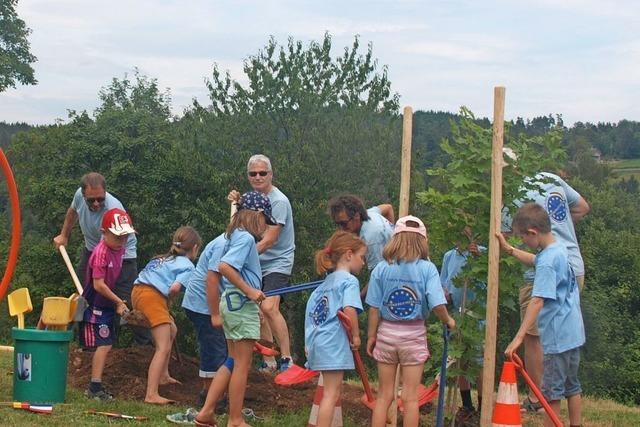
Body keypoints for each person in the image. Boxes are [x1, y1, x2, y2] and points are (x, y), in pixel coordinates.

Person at [503, 169, 589, 412]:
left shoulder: (512, 195)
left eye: (523, 237)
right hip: (574, 329)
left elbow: (538, 300)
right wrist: (510, 250)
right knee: (573, 386)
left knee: (534, 341)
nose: (521, 241)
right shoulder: (550, 179)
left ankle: (536, 399)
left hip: (556, 341)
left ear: (532, 233)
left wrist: (518, 337)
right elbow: (583, 207)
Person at [366, 216, 455, 427]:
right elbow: (437, 304)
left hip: (386, 333)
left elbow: (374, 308)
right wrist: (448, 320)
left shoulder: (381, 268)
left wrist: (371, 336)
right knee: (410, 397)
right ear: (422, 241)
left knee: (384, 396)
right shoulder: (427, 268)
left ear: (395, 238)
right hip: (413, 335)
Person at [193, 191, 271, 427]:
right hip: (240, 304)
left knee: (232, 361)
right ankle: (235, 419)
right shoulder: (246, 239)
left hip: (231, 303)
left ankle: (206, 412)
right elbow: (225, 267)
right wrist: (250, 292)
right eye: (265, 219)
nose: (265, 225)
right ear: (257, 214)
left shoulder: (232, 235)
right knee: (242, 365)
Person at [53, 172, 148, 345]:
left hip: (122, 257)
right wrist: (64, 235)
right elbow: (72, 212)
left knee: (121, 301)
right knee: (87, 297)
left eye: (100, 199)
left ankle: (139, 346)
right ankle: (89, 343)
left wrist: (105, 286)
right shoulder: (78, 196)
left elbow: (113, 247)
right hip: (93, 251)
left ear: (105, 193)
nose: (96, 203)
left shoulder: (113, 209)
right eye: (91, 200)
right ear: (83, 195)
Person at [228, 154, 295, 373]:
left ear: (271, 174)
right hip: (255, 262)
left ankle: (287, 358)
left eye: (262, 173)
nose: (258, 177)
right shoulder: (250, 199)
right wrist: (235, 204)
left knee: (269, 306)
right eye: (253, 173)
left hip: (277, 260)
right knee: (257, 310)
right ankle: (269, 360)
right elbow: (235, 228)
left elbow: (269, 240)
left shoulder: (279, 201)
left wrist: (240, 257)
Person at [132, 226, 202, 405]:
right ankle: (151, 394)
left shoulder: (162, 258)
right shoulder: (188, 266)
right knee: (162, 347)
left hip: (138, 292)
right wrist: (168, 301)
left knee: (172, 330)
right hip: (152, 297)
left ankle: (163, 375)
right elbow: (174, 289)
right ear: (194, 248)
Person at [305, 230, 366, 427]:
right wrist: (356, 336)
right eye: (361, 257)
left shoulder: (322, 286)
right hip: (333, 345)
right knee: (331, 395)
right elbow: (349, 309)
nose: (363, 263)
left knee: (329, 393)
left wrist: (308, 344)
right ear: (349, 255)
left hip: (318, 343)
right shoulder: (349, 281)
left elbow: (311, 315)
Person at [80, 208, 136, 401]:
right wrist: (118, 301)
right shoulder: (101, 253)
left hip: (107, 304)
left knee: (107, 343)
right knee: (104, 344)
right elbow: (99, 285)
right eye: (118, 236)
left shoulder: (119, 249)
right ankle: (94, 387)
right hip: (95, 303)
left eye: (125, 236)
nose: (122, 240)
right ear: (104, 233)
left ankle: (96, 385)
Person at [440, 227, 485, 424]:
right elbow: (445, 287)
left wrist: (477, 259)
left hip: (478, 319)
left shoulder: (481, 253)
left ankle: (484, 409)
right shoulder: (449, 256)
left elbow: (489, 281)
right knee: (460, 362)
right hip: (457, 317)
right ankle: (467, 405)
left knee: (479, 364)